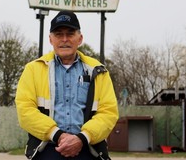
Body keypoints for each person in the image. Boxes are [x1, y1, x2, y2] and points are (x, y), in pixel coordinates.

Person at [15, 11, 119, 160]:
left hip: (88, 150)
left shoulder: (99, 70)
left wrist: (82, 138)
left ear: (80, 38)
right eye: (58, 34)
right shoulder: (33, 69)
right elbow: (25, 111)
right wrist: (57, 135)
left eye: (70, 34)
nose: (64, 39)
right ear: (50, 39)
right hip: (47, 150)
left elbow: (109, 113)